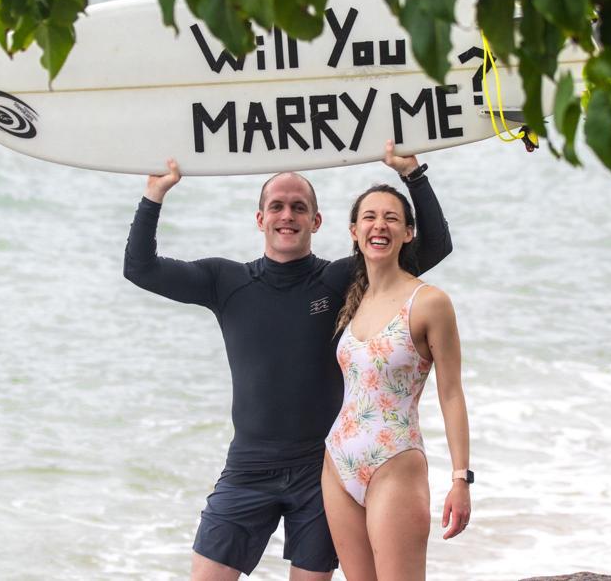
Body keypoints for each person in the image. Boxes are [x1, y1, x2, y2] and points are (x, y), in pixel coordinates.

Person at [122, 142, 452, 580]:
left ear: (316, 221)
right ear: (260, 219)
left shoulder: (340, 279)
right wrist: (154, 195)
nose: (287, 215)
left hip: (320, 472)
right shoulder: (227, 281)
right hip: (247, 468)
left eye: (299, 208)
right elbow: (140, 268)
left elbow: (434, 247)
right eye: (276, 206)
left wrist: (414, 175)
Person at [322, 183, 471, 581]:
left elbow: (452, 393)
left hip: (395, 464)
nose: (379, 225)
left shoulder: (429, 302)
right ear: (354, 230)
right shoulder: (354, 299)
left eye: (392, 218)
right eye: (370, 217)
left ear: (408, 233)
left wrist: (461, 478)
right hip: (337, 462)